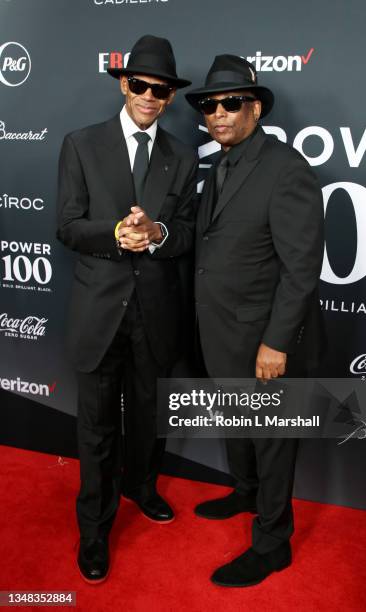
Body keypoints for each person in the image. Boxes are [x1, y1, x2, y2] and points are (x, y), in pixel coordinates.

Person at [57, 35, 197, 583]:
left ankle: (141, 486)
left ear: (168, 98)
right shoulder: (82, 145)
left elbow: (186, 233)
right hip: (99, 310)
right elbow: (67, 225)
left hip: (156, 310)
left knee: (147, 417)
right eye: (140, 85)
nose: (149, 96)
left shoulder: (183, 158)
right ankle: (94, 528)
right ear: (123, 83)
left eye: (160, 91)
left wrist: (159, 232)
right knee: (95, 427)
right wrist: (116, 233)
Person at [185, 54, 325, 587]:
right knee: (239, 424)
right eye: (208, 105)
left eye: (230, 103)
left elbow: (301, 267)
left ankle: (273, 544)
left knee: (270, 437)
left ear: (256, 107)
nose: (217, 113)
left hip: (262, 339)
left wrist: (276, 342)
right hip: (220, 330)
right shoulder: (220, 165)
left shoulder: (286, 169)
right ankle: (244, 492)